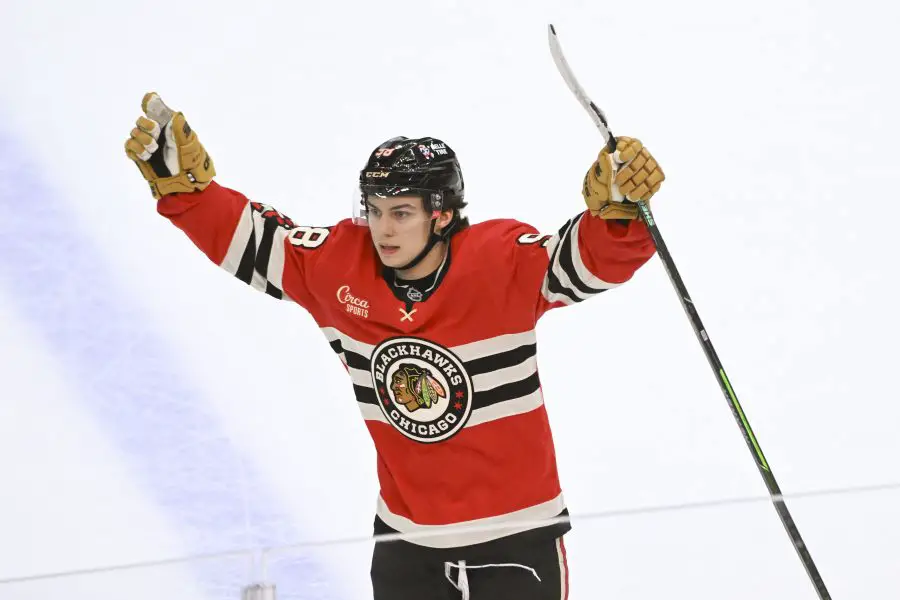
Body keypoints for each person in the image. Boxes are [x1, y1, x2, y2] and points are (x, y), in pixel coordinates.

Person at [125, 92, 665, 600]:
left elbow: (583, 262)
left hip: (514, 542)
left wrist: (616, 216)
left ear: (443, 215)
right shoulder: (339, 266)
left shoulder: (500, 264)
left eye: (401, 212)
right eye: (376, 210)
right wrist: (186, 192)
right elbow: (256, 242)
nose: (384, 229)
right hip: (406, 544)